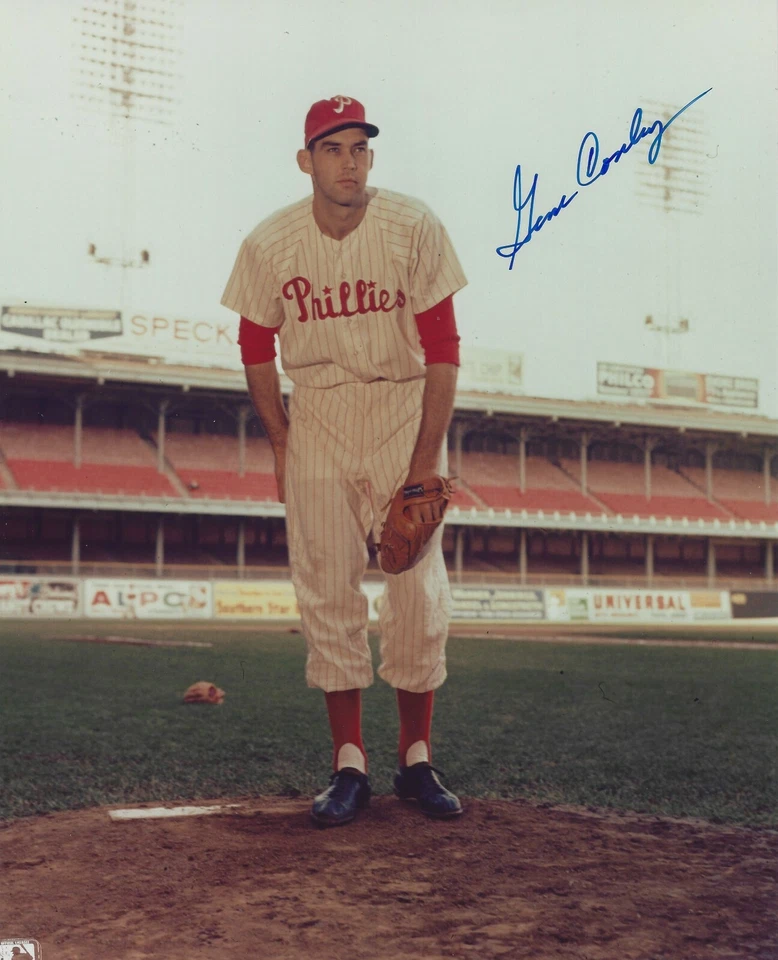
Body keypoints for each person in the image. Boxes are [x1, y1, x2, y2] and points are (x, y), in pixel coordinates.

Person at [221, 95, 467, 827]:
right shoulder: (271, 243)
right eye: (333, 148)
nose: (350, 161)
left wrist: (424, 461)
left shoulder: (413, 226)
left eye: (360, 147)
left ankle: (416, 759)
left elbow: (445, 350)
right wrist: (282, 439)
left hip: (403, 408)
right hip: (320, 411)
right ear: (307, 161)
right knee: (326, 588)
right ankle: (348, 764)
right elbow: (255, 348)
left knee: (417, 593)